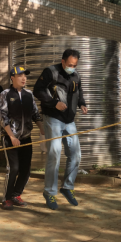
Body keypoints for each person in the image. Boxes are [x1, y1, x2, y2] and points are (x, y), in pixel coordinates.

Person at [33, 49, 87, 210]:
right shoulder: (51, 72)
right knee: (55, 153)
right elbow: (38, 90)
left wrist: (82, 103)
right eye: (70, 65)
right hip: (53, 118)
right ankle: (49, 192)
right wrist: (53, 103)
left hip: (69, 120)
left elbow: (79, 91)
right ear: (63, 61)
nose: (72, 68)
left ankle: (67, 187)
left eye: (75, 65)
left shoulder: (76, 76)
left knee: (76, 155)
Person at [0, 66, 44, 210]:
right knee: (14, 168)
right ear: (12, 78)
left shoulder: (29, 94)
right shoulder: (5, 94)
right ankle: (6, 198)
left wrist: (43, 130)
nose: (24, 78)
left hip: (26, 138)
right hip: (10, 138)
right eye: (20, 76)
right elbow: (2, 117)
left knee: (26, 169)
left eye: (25, 76)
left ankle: (16, 195)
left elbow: (35, 114)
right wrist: (12, 136)